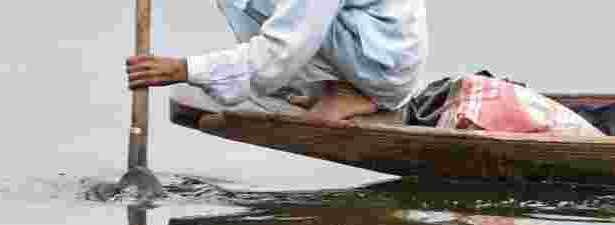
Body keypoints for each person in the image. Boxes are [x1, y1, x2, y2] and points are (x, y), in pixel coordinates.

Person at [125, 0, 428, 121]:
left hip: (382, 68)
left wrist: (185, 69)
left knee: (287, 35)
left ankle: (355, 92)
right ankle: (300, 81)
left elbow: (285, 46)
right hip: (371, 44)